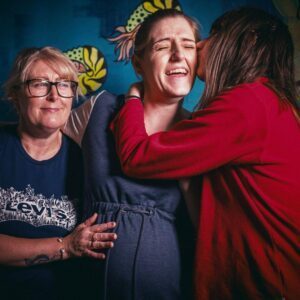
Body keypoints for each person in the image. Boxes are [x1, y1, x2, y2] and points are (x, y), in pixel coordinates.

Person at [111, 7, 300, 300]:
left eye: (213, 36)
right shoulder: (271, 101)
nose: (199, 46)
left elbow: (137, 156)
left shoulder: (248, 103)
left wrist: (133, 98)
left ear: (246, 42)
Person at [64, 9, 200, 300]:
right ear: (138, 63)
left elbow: (208, 228)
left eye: (188, 45)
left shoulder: (203, 131)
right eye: (162, 46)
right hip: (87, 284)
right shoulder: (99, 108)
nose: (178, 55)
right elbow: (34, 133)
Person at [0, 47, 117, 300]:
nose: (55, 95)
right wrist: (65, 246)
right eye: (40, 84)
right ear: (15, 95)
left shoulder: (86, 160)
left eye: (64, 85)